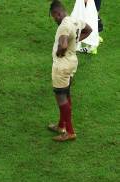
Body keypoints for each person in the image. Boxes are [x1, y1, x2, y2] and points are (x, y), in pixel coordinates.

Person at [48, 1, 92, 142]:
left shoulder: (64, 27)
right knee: (66, 94)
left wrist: (61, 51)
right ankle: (61, 126)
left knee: (61, 98)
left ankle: (70, 132)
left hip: (62, 66)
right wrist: (76, 41)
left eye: (54, 16)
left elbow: (63, 44)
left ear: (58, 13)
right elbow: (89, 29)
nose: (54, 19)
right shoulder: (75, 20)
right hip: (73, 62)